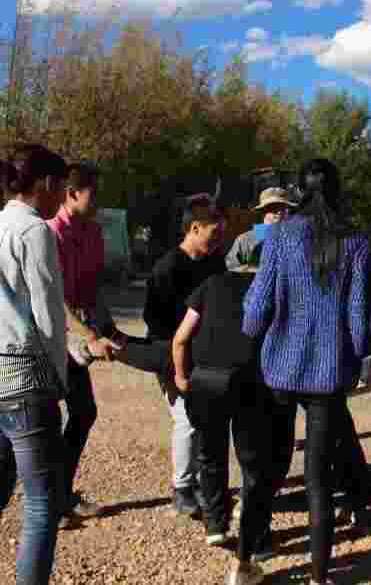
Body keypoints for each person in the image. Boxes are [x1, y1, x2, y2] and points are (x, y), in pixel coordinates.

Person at [0, 144, 108, 585]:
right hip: (24, 383)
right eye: (60, 187)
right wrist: (62, 376)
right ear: (47, 184)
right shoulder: (35, 231)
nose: (61, 196)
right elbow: (48, 317)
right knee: (42, 504)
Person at [243, 158, 371, 585]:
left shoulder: (279, 236)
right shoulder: (356, 243)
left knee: (263, 471)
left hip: (278, 372)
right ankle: (320, 578)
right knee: (318, 482)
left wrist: (253, 329)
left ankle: (244, 563)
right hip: (329, 378)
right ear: (338, 190)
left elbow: (255, 312)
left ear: (299, 192)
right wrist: (359, 347)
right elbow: (363, 330)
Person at [171, 262, 292, 585]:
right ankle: (256, 540)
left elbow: (181, 338)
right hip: (248, 381)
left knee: (209, 453)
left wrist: (181, 376)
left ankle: (215, 525)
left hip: (206, 380)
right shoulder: (270, 289)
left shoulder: (210, 284)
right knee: (253, 465)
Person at [47, 162, 123, 527]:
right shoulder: (49, 233)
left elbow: (92, 288)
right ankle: (49, 504)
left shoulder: (93, 232)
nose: (99, 200)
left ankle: (59, 496)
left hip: (78, 334)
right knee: (46, 419)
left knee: (82, 412)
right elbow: (53, 298)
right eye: (94, 193)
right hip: (48, 337)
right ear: (72, 193)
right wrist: (88, 336)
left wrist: (109, 328)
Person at [142, 195, 227, 517]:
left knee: (206, 420)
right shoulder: (166, 269)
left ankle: (204, 484)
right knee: (186, 419)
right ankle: (182, 488)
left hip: (206, 355)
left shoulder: (215, 263)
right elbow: (155, 323)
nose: (219, 240)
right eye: (215, 233)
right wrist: (172, 368)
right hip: (170, 354)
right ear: (194, 228)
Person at [225, 187, 297, 270]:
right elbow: (231, 267)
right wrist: (258, 271)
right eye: (273, 208)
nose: (279, 212)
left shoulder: (297, 240)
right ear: (263, 212)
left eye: (283, 208)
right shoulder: (246, 240)